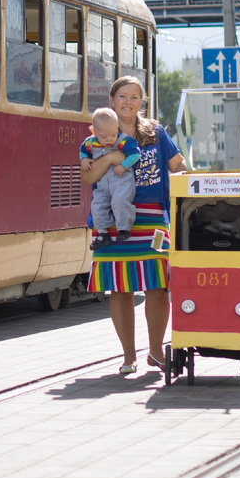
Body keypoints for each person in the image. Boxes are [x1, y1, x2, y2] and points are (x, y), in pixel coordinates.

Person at [80, 76, 186, 375]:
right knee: (120, 287)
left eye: (135, 97)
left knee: (157, 284)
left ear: (142, 102)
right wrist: (112, 156)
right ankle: (129, 356)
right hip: (110, 220)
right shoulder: (97, 134)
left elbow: (177, 164)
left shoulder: (155, 132)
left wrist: (189, 179)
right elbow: (87, 177)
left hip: (152, 217)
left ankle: (155, 351)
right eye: (122, 96)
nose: (129, 102)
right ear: (112, 101)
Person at [80, 107, 141, 250]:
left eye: (113, 134)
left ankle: (124, 228)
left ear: (117, 128)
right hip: (102, 185)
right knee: (97, 206)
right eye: (104, 136)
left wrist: (124, 165)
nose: (109, 140)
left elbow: (136, 154)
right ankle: (102, 233)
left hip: (121, 181)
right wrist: (83, 159)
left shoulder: (122, 141)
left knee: (120, 200)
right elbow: (82, 150)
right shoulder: (90, 143)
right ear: (94, 133)